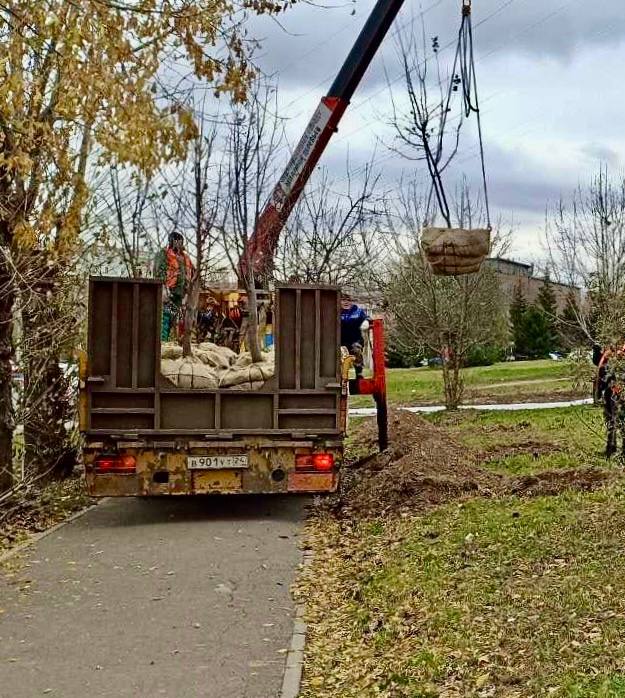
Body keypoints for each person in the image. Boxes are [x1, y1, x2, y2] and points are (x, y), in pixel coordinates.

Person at [154, 232, 194, 341]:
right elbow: (158, 271)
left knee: (174, 318)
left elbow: (192, 273)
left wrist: (188, 291)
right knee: (165, 317)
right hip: (169, 291)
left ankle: (169, 340)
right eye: (176, 240)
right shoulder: (164, 254)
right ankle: (163, 341)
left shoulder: (185, 257)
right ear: (171, 241)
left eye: (180, 240)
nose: (179, 243)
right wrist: (163, 287)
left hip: (180, 293)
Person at [340, 294, 369, 378]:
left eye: (348, 300)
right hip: (340, 341)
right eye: (343, 300)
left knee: (357, 351)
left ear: (352, 302)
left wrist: (366, 321)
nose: (346, 302)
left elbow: (367, 318)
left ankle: (359, 373)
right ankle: (340, 376)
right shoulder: (335, 311)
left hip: (355, 340)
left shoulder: (358, 311)